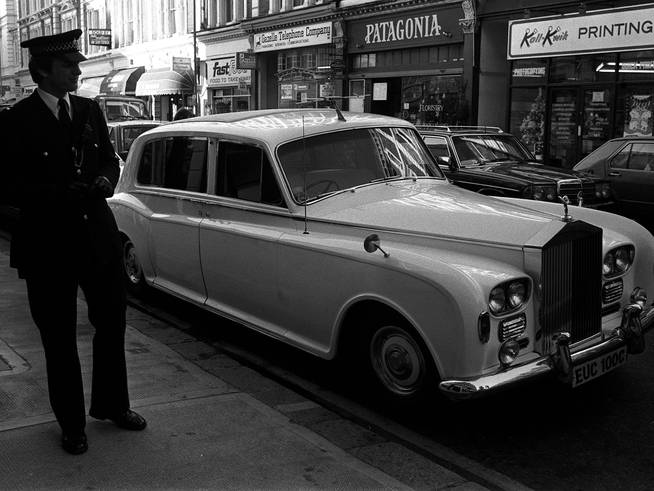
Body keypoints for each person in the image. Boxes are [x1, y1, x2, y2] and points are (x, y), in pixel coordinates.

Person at [0, 29, 146, 455]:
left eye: (77, 64)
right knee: (59, 338)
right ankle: (71, 424)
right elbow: (7, 184)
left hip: (96, 236)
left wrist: (105, 177)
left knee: (112, 324)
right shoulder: (16, 121)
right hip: (48, 243)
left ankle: (113, 405)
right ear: (43, 71)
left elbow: (109, 158)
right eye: (68, 66)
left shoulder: (88, 110)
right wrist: (55, 195)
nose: (77, 71)